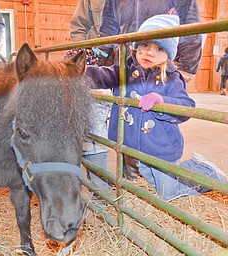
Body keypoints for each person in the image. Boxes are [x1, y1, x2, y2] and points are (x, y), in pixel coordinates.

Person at [86, 14, 228, 201]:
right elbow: (101, 75)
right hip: (129, 144)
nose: (149, 53)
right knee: (134, 186)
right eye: (144, 45)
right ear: (136, 46)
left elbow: (186, 106)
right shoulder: (124, 71)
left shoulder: (171, 77)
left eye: (159, 48)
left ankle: (206, 173)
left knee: (167, 193)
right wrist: (75, 71)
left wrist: (161, 102)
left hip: (160, 149)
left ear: (168, 54)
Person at [97, 0, 203, 83]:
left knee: (158, 106)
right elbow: (108, 29)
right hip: (125, 66)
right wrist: (97, 60)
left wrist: (186, 69)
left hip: (161, 70)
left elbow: (190, 27)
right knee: (122, 107)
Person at [70, 0, 112, 191]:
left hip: (132, 63)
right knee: (92, 127)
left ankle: (125, 184)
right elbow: (79, 26)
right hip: (96, 64)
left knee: (128, 129)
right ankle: (96, 191)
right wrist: (84, 55)